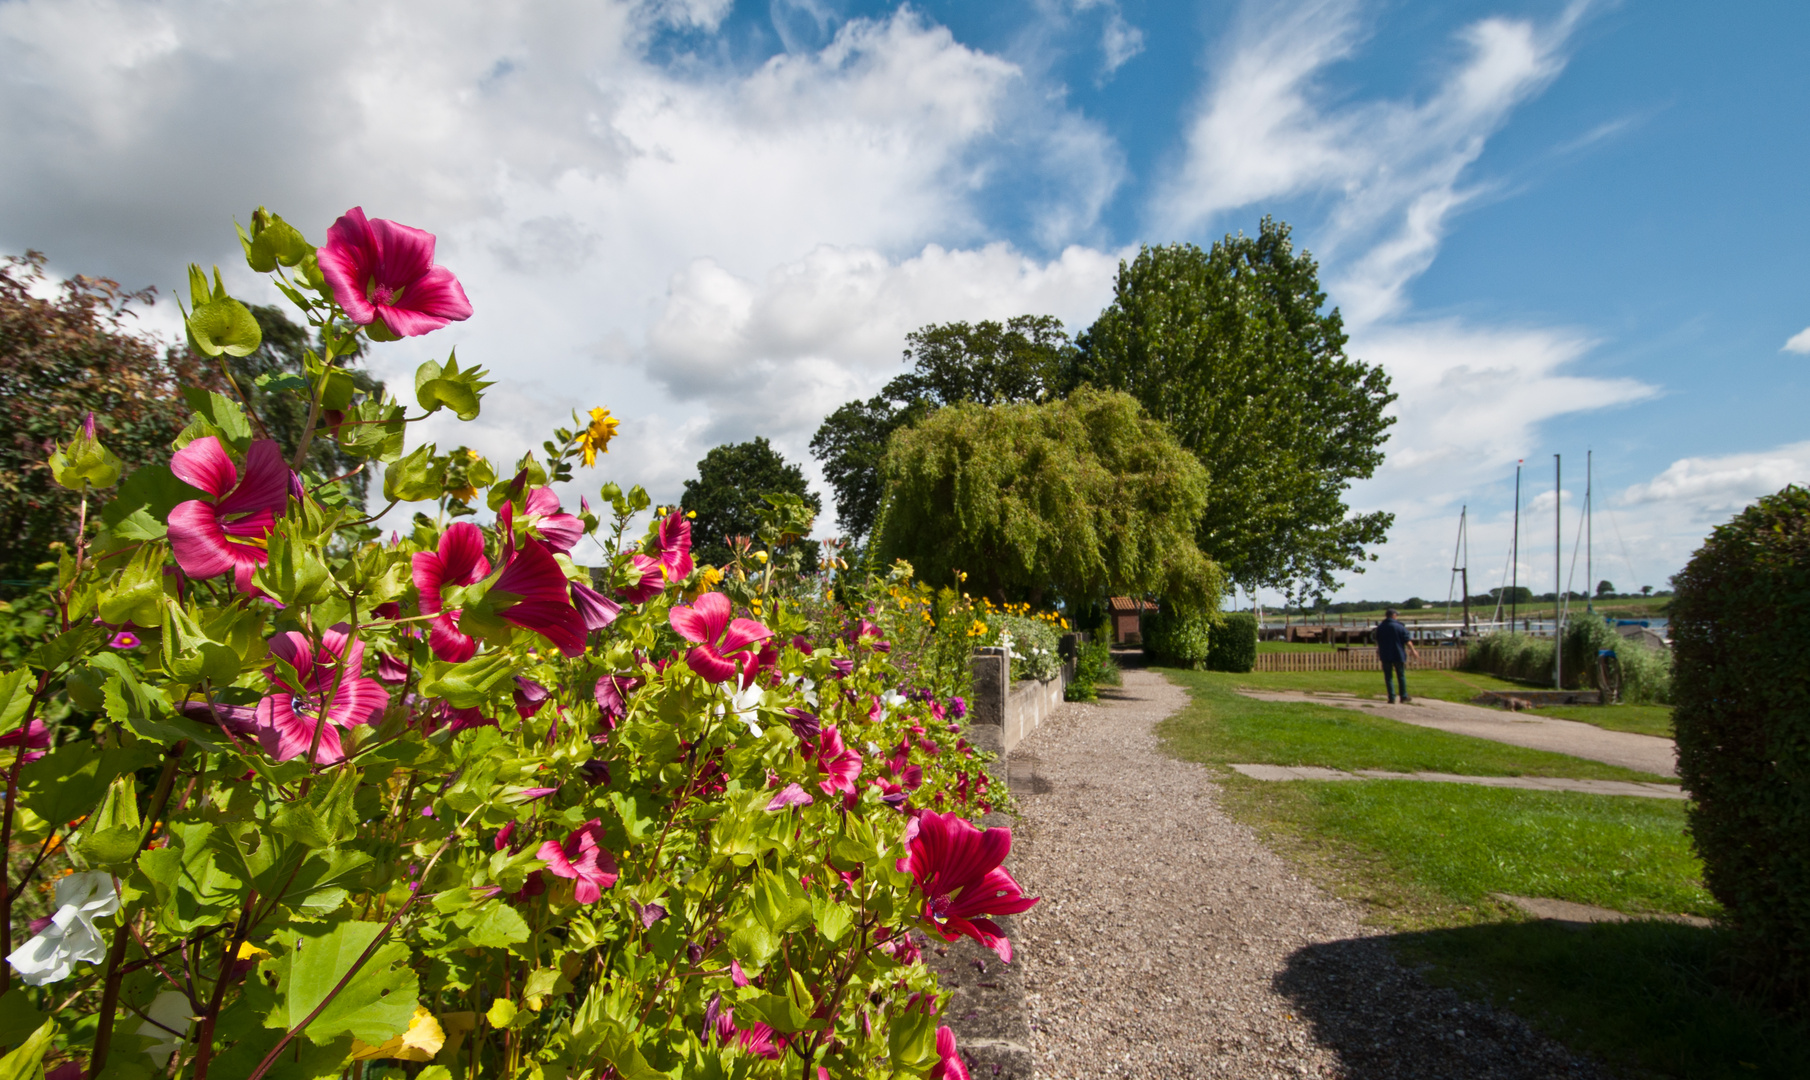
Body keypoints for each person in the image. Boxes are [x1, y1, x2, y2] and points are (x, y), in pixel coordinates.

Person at [1374, 608, 1419, 704]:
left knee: (1388, 676)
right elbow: (1407, 641)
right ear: (1393, 615)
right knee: (1401, 675)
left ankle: (1391, 697)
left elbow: (1378, 640)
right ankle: (1403, 696)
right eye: (1396, 615)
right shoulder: (1400, 627)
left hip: (1385, 654)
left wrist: (1379, 650)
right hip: (1398, 654)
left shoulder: (1381, 627)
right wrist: (1413, 651)